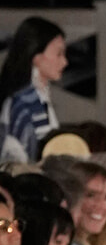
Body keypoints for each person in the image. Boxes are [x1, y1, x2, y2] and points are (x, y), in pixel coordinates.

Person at [0, 18, 67, 162]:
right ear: (36, 57)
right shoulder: (24, 103)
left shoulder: (35, 99)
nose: (64, 62)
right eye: (59, 54)